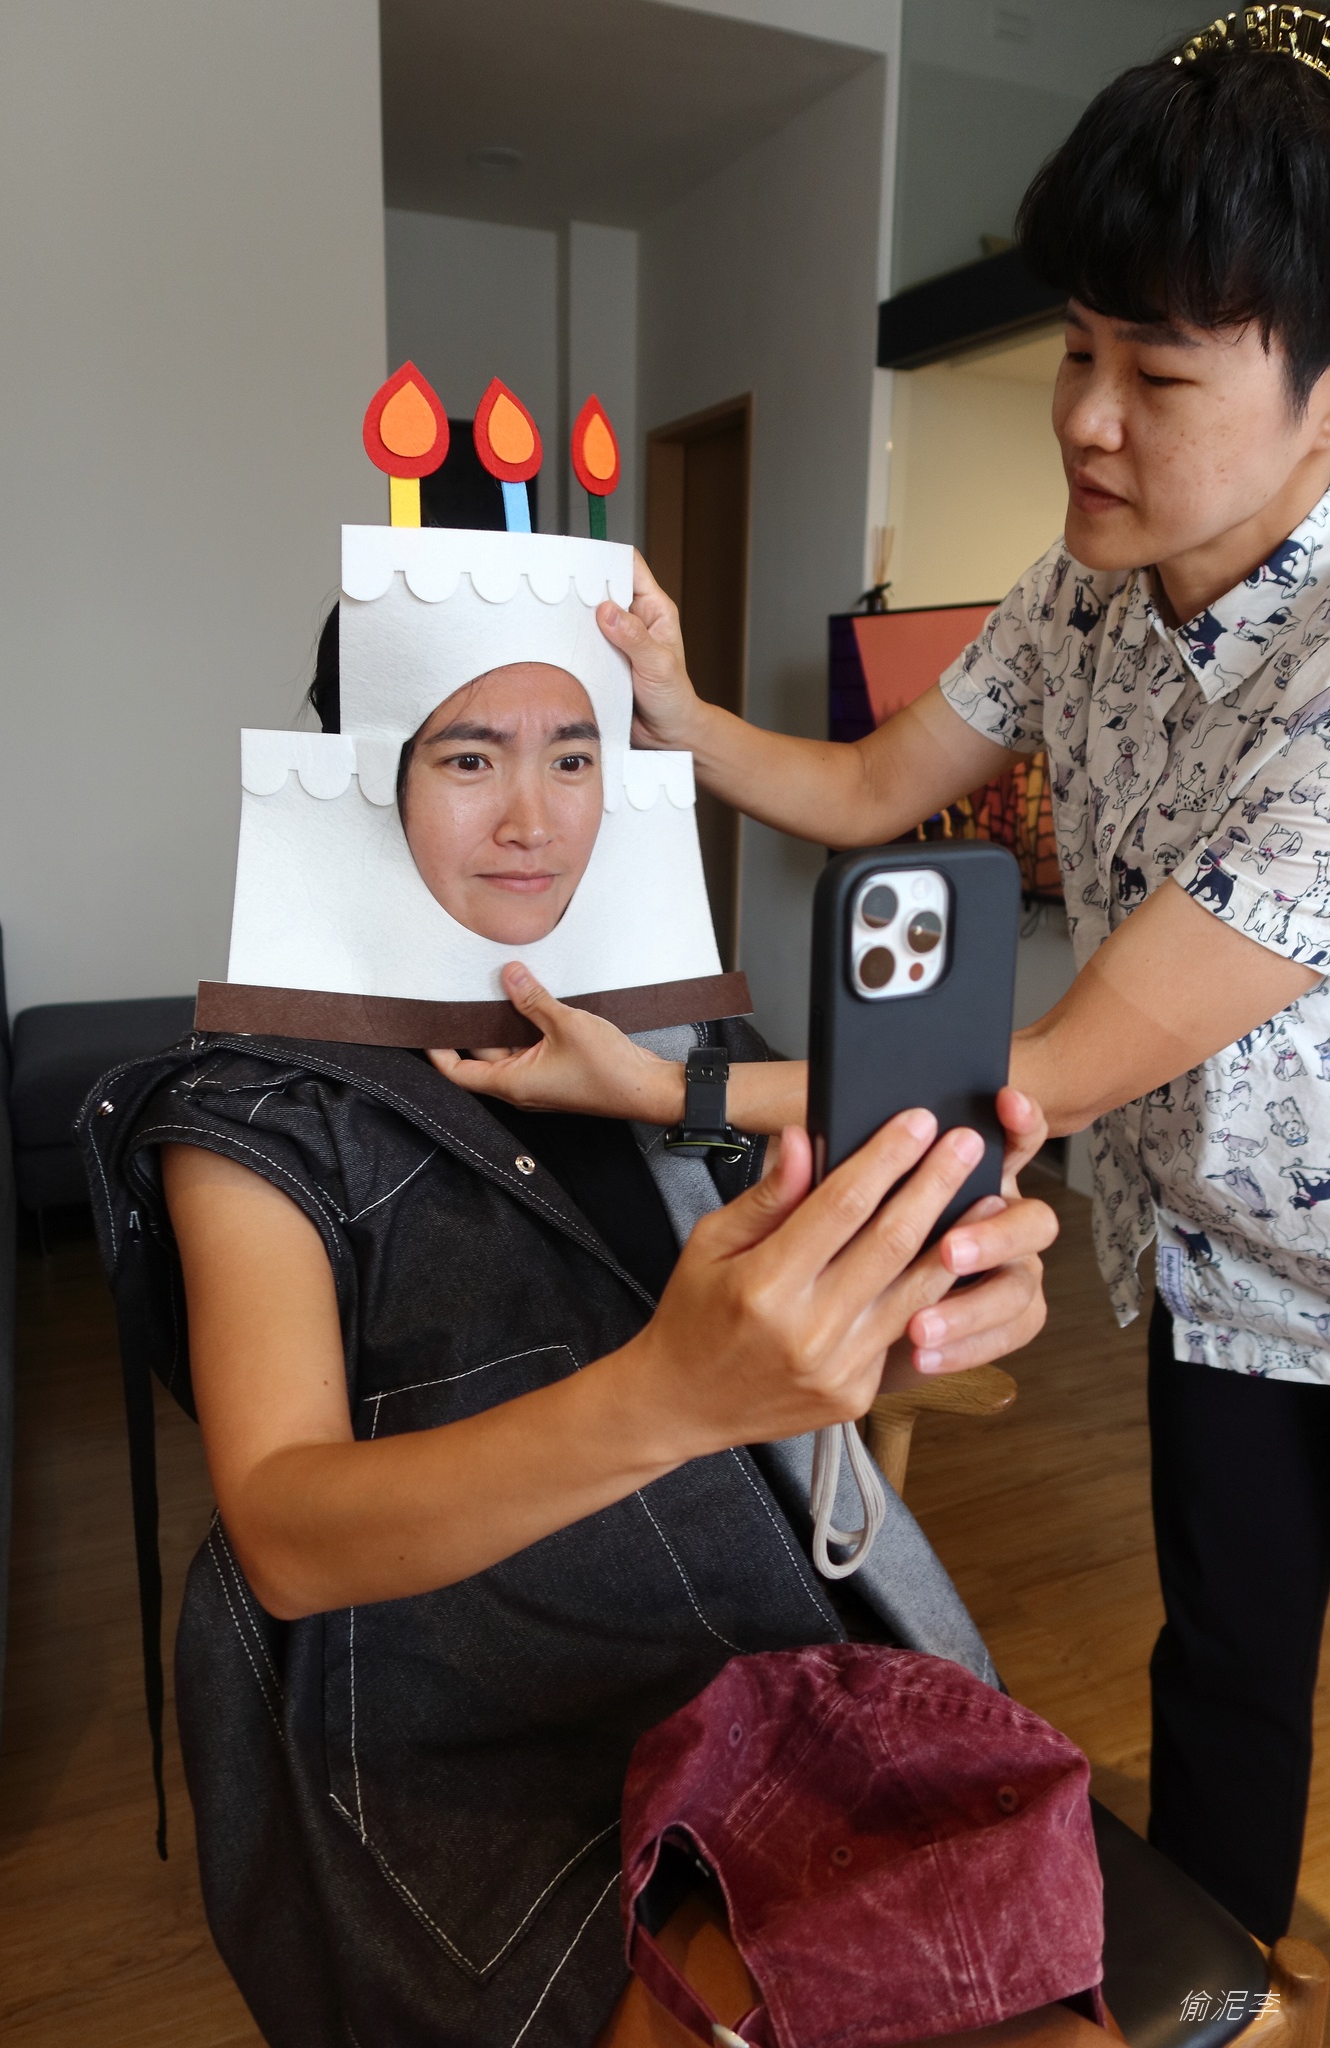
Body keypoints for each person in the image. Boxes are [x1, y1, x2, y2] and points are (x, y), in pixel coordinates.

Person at [436, 21, 1330, 1946]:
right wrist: (673, 712)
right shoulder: (1075, 590)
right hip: (1222, 1259)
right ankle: (1217, 1979)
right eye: (1076, 349)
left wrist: (664, 1087)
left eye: (1157, 372)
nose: (1087, 418)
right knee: (1231, 1651)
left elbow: (1042, 1065)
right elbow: (863, 787)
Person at [84, 646, 1057, 2048]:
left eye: (575, 756)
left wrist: (913, 1325)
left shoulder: (677, 1048)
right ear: (364, 776)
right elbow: (286, 1534)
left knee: (1023, 1983)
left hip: (763, 1642)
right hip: (457, 1724)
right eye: (468, 758)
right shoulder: (254, 1112)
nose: (532, 820)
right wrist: (669, 1397)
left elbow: (775, 1357)